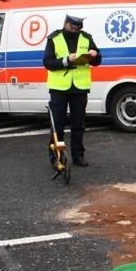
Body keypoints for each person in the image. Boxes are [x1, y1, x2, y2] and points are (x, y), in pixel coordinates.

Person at [44, 14, 102, 167]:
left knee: (78, 125)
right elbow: (47, 62)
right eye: (72, 25)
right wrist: (66, 61)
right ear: (66, 22)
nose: (75, 29)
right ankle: (57, 158)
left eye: (78, 26)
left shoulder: (86, 37)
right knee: (58, 125)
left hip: (80, 87)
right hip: (59, 88)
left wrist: (95, 55)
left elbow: (98, 60)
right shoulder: (54, 38)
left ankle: (78, 156)